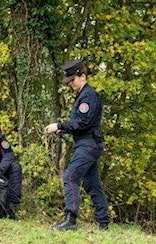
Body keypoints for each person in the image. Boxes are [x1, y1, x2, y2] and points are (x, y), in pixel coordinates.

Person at [44, 59, 110, 231]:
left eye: (72, 80)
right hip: (87, 143)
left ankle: (70, 220)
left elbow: (82, 123)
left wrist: (59, 125)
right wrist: (64, 130)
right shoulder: (83, 95)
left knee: (70, 177)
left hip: (89, 145)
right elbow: (79, 124)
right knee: (92, 184)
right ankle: (103, 222)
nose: (70, 84)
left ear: (82, 76)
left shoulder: (88, 96)